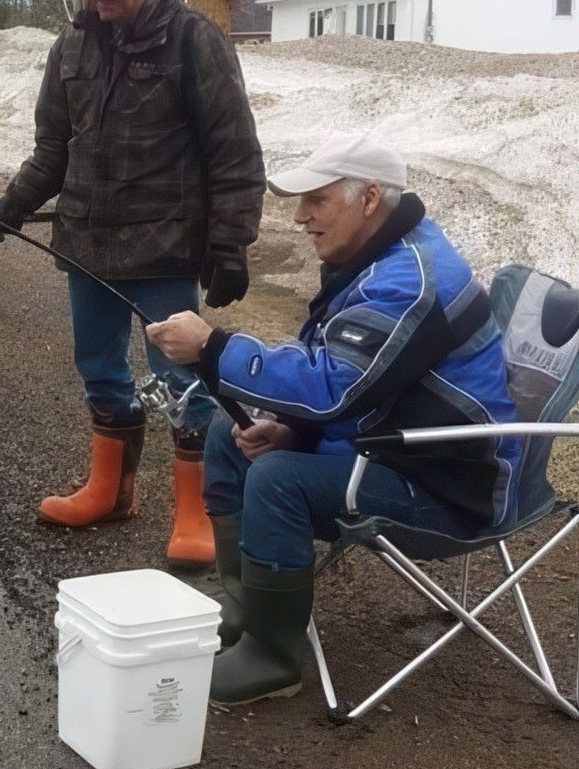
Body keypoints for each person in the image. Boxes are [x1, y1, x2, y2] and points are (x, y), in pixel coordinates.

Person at [146, 132, 521, 705]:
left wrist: (213, 348)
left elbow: (332, 387)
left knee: (278, 479)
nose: (300, 217)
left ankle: (273, 657)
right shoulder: (375, 258)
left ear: (370, 197)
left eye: (316, 201)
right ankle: (247, 605)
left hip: (449, 482)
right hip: (400, 443)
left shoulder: (407, 279)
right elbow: (364, 384)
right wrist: (295, 430)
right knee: (232, 434)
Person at [0, 0, 265, 567]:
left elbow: (235, 153)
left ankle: (196, 510)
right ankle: (110, 492)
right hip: (87, 246)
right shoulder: (72, 45)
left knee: (182, 382)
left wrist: (230, 244)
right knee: (100, 370)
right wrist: (14, 203)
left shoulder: (195, 39)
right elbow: (52, 149)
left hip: (166, 248)